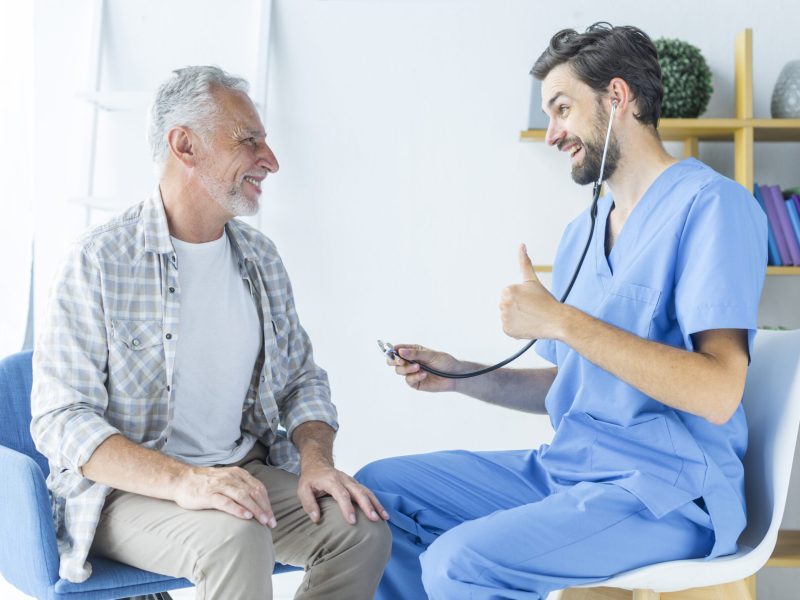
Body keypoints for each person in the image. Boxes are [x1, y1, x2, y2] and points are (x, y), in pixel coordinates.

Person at [356, 23, 768, 600]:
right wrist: (462, 377)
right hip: (567, 471)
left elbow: (719, 391)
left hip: (667, 491)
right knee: (378, 495)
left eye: (562, 109)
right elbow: (574, 383)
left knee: (461, 562)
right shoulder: (583, 231)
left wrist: (560, 320)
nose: (553, 133)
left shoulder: (712, 206)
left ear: (617, 97)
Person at [31, 65, 391, 599]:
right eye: (249, 141)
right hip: (126, 493)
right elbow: (61, 419)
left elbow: (301, 382)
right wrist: (185, 482)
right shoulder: (99, 260)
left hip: (240, 471)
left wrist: (317, 463)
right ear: (185, 145)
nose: (269, 160)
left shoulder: (261, 259)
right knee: (236, 536)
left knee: (360, 530)